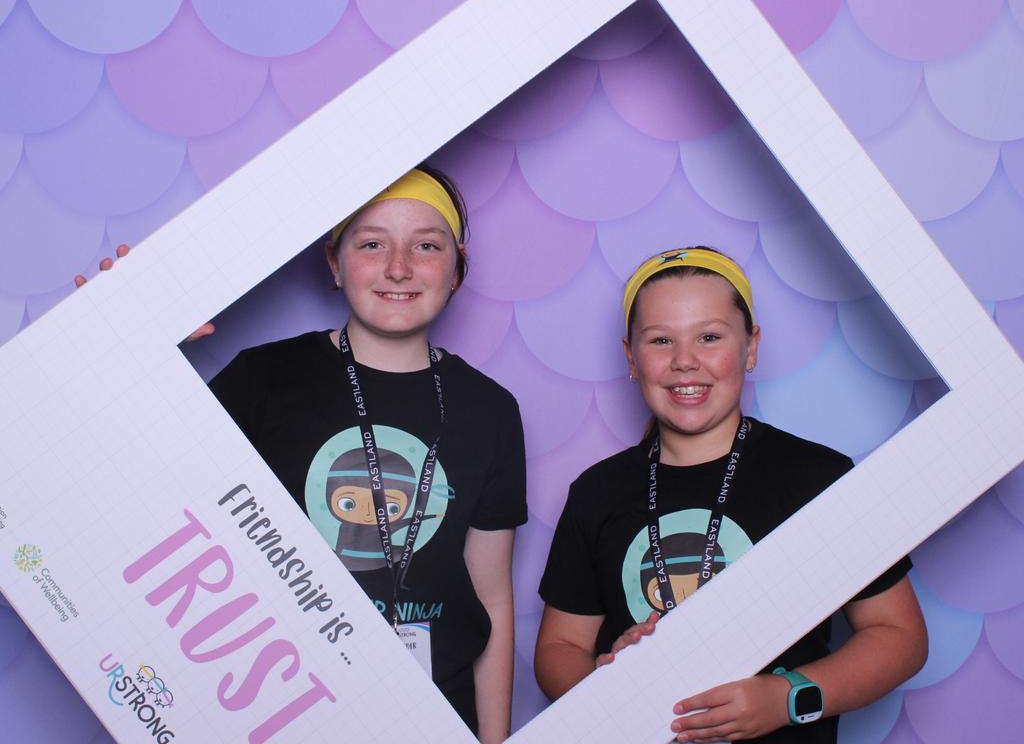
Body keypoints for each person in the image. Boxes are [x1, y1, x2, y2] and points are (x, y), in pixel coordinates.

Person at [122, 166, 525, 742]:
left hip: (436, 715)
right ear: (334, 263)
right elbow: (151, 498)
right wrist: (127, 337)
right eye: (371, 244)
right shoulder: (263, 378)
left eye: (426, 246)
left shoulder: (491, 409)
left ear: (457, 266)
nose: (399, 268)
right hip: (282, 707)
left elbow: (492, 597)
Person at [534, 247, 927, 743]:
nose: (684, 361)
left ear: (751, 346)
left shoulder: (816, 477)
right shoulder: (597, 492)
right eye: (660, 340)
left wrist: (786, 698)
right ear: (631, 358)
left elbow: (900, 637)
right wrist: (609, 689)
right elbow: (559, 647)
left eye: (709, 337)